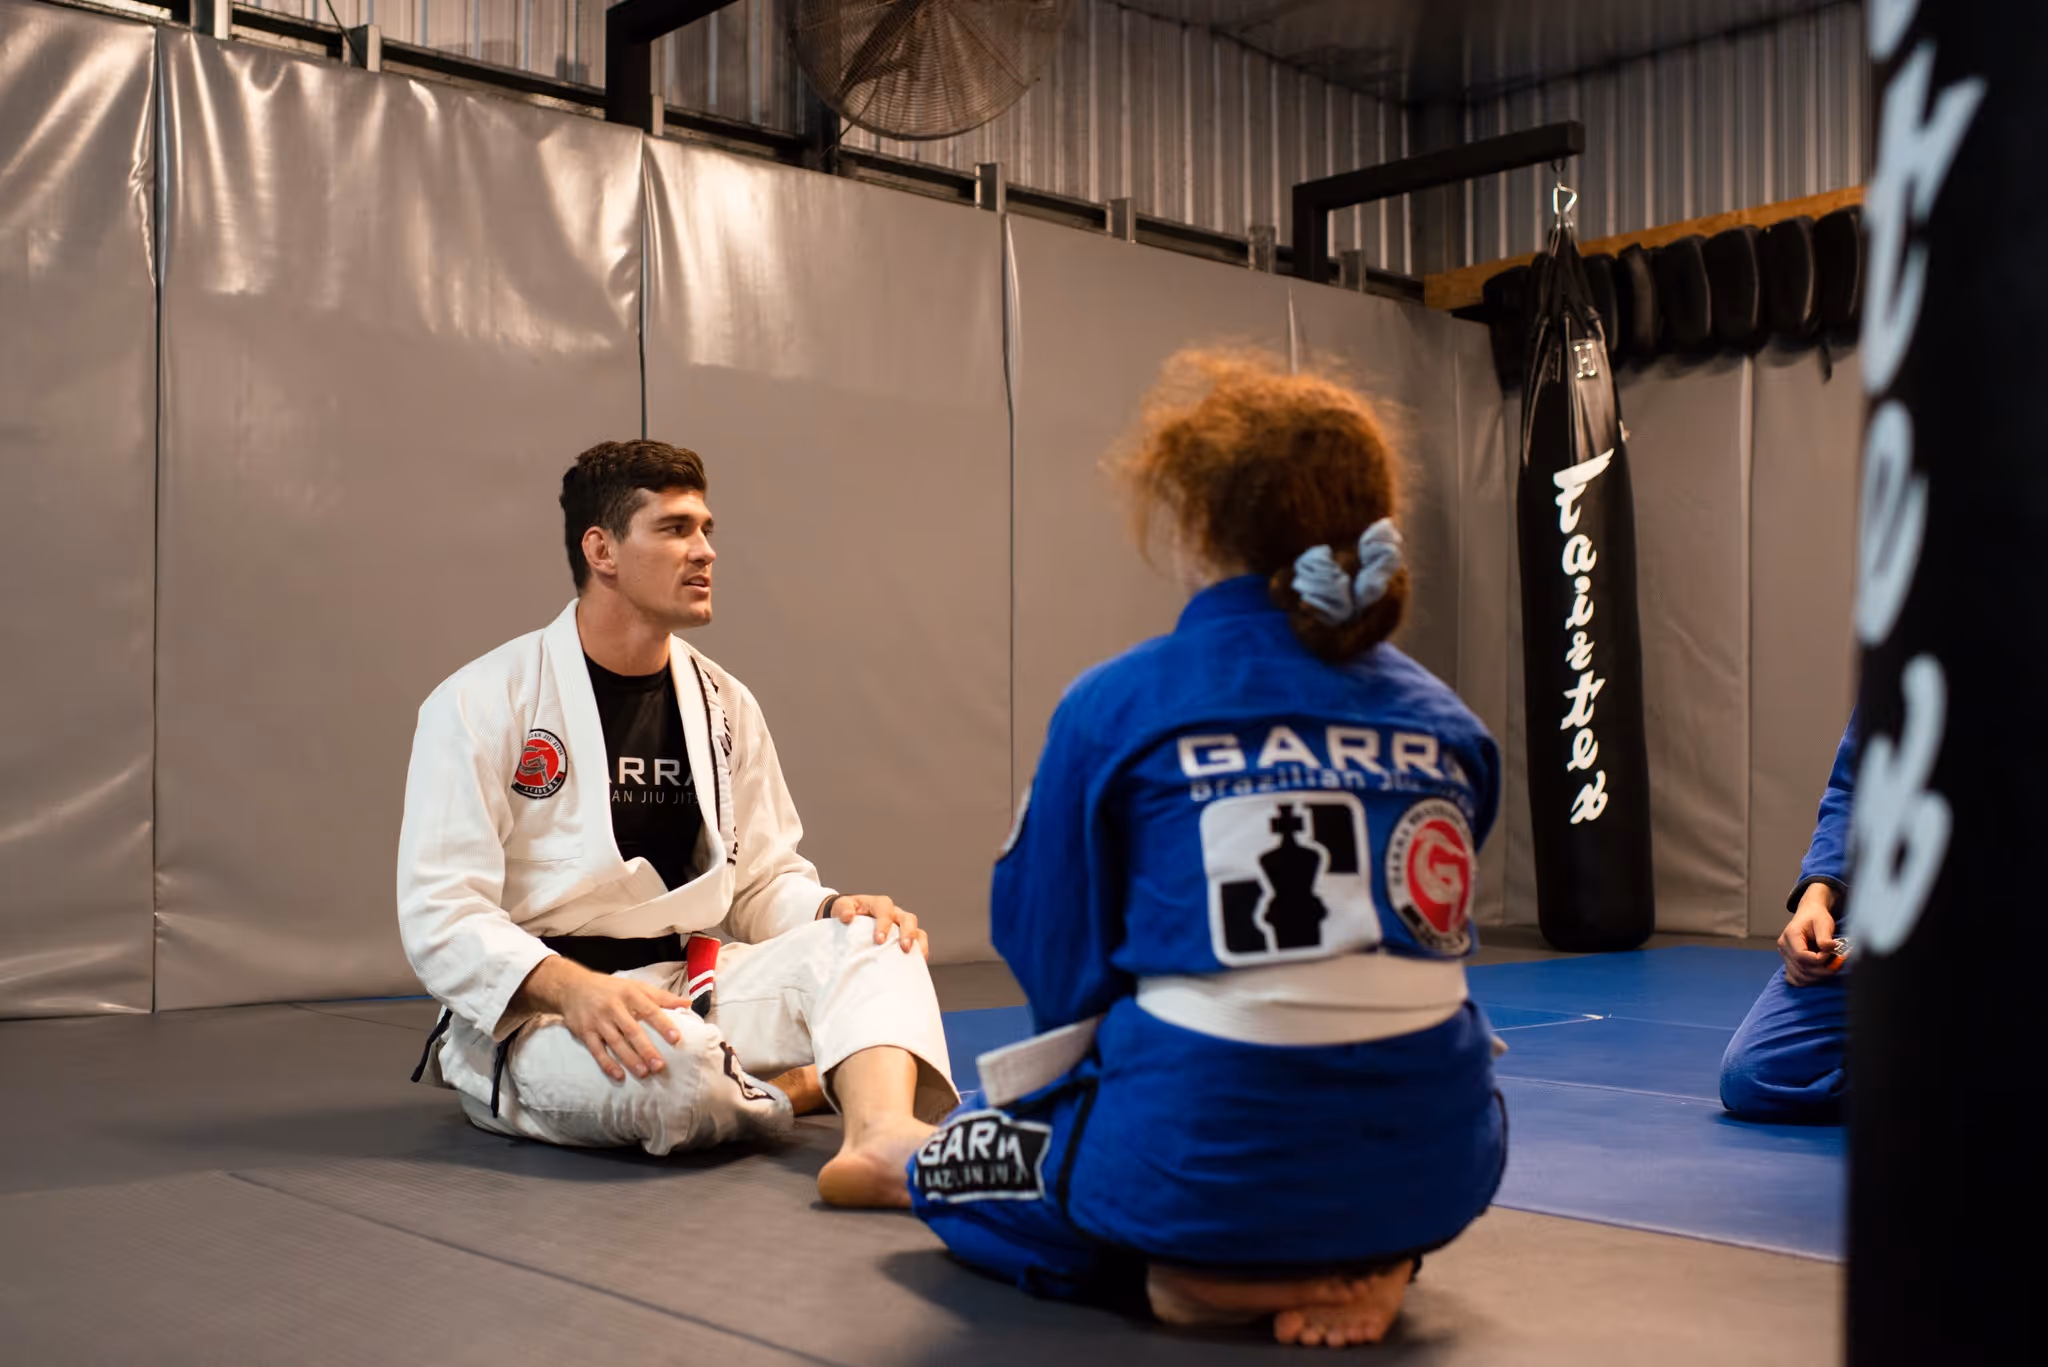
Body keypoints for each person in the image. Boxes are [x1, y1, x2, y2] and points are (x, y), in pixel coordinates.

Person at [909, 352, 1507, 1347]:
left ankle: (1194, 1276)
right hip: (1439, 1168)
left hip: (1198, 1162)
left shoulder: (1119, 703)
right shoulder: (1449, 723)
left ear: (1195, 526)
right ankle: (1366, 1254)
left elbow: (1054, 956)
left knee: (948, 1167)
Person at [397, 439, 955, 1206]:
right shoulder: (482, 700)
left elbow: (760, 879)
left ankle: (882, 1135)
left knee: (877, 943)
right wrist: (571, 988)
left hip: (690, 979)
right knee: (679, 1076)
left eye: (706, 529)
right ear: (603, 550)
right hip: (543, 1007)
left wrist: (830, 908)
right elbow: (440, 909)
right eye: (675, 529)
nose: (705, 552)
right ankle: (788, 1092)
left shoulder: (725, 702)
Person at [1718, 714, 1854, 1123]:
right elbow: (1853, 792)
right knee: (1755, 1076)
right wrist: (1818, 896)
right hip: (1910, 917)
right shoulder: (1902, 660)